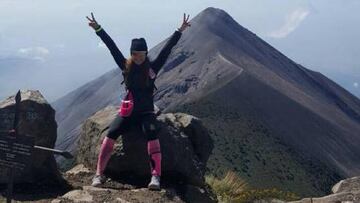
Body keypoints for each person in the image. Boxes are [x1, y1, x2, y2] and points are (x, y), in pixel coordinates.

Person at [86, 12, 191, 190]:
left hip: (146, 112)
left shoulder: (153, 67)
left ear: (146, 53)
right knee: (111, 133)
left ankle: (155, 177)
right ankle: (99, 174)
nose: (138, 57)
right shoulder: (125, 66)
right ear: (131, 54)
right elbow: (112, 47)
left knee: (151, 133)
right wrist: (98, 29)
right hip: (128, 111)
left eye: (142, 53)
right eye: (135, 53)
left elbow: (167, 49)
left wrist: (179, 30)